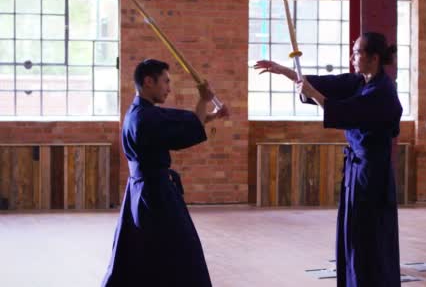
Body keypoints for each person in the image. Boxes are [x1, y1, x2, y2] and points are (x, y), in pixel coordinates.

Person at [255, 32, 402, 286]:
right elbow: (324, 84)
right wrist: (286, 72)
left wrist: (314, 94)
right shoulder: (359, 82)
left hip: (372, 175)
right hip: (356, 172)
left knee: (368, 237)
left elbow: (346, 112)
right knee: (352, 234)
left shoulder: (383, 92)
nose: (352, 57)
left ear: (374, 58)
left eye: (357, 52)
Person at [102, 58, 228, 287]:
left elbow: (182, 122)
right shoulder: (144, 118)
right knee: (181, 250)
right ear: (149, 82)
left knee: (143, 251)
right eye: (166, 82)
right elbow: (187, 129)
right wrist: (203, 99)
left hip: (144, 190)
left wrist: (212, 114)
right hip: (155, 194)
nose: (169, 88)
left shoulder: (140, 112)